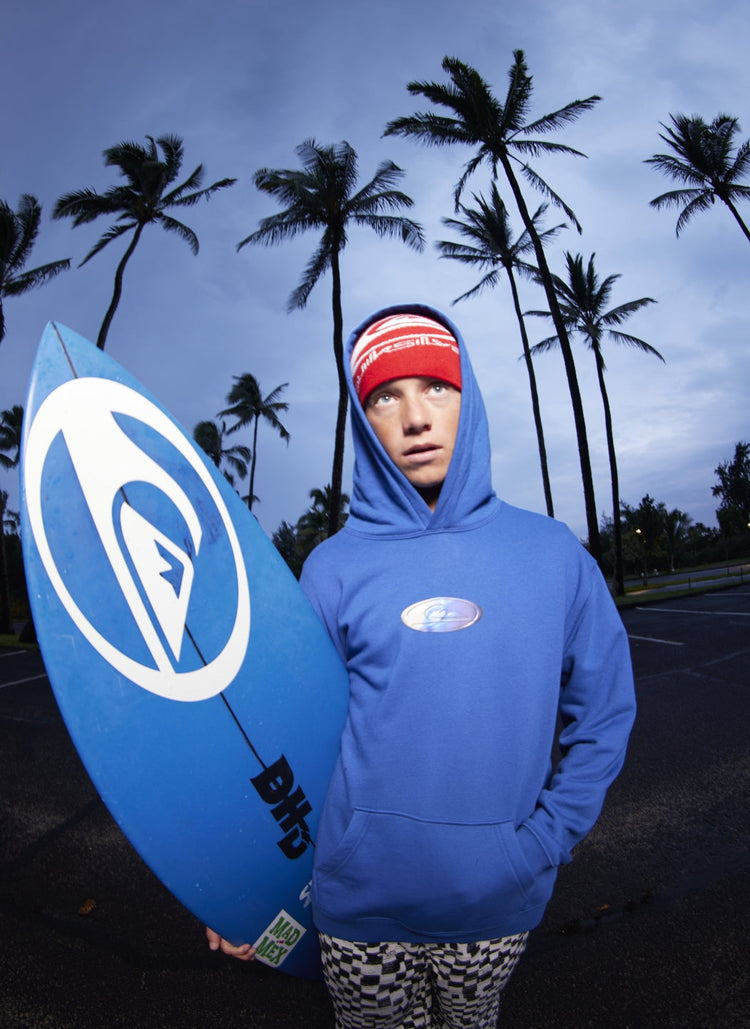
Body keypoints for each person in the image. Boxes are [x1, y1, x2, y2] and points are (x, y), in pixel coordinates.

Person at [208, 304, 636, 1029]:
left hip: (496, 902)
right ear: (363, 419)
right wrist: (242, 888)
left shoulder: (553, 554)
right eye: (385, 396)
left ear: (470, 399)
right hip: (358, 912)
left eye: (437, 387)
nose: (414, 418)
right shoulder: (331, 568)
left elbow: (604, 714)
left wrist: (542, 841)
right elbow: (284, 741)